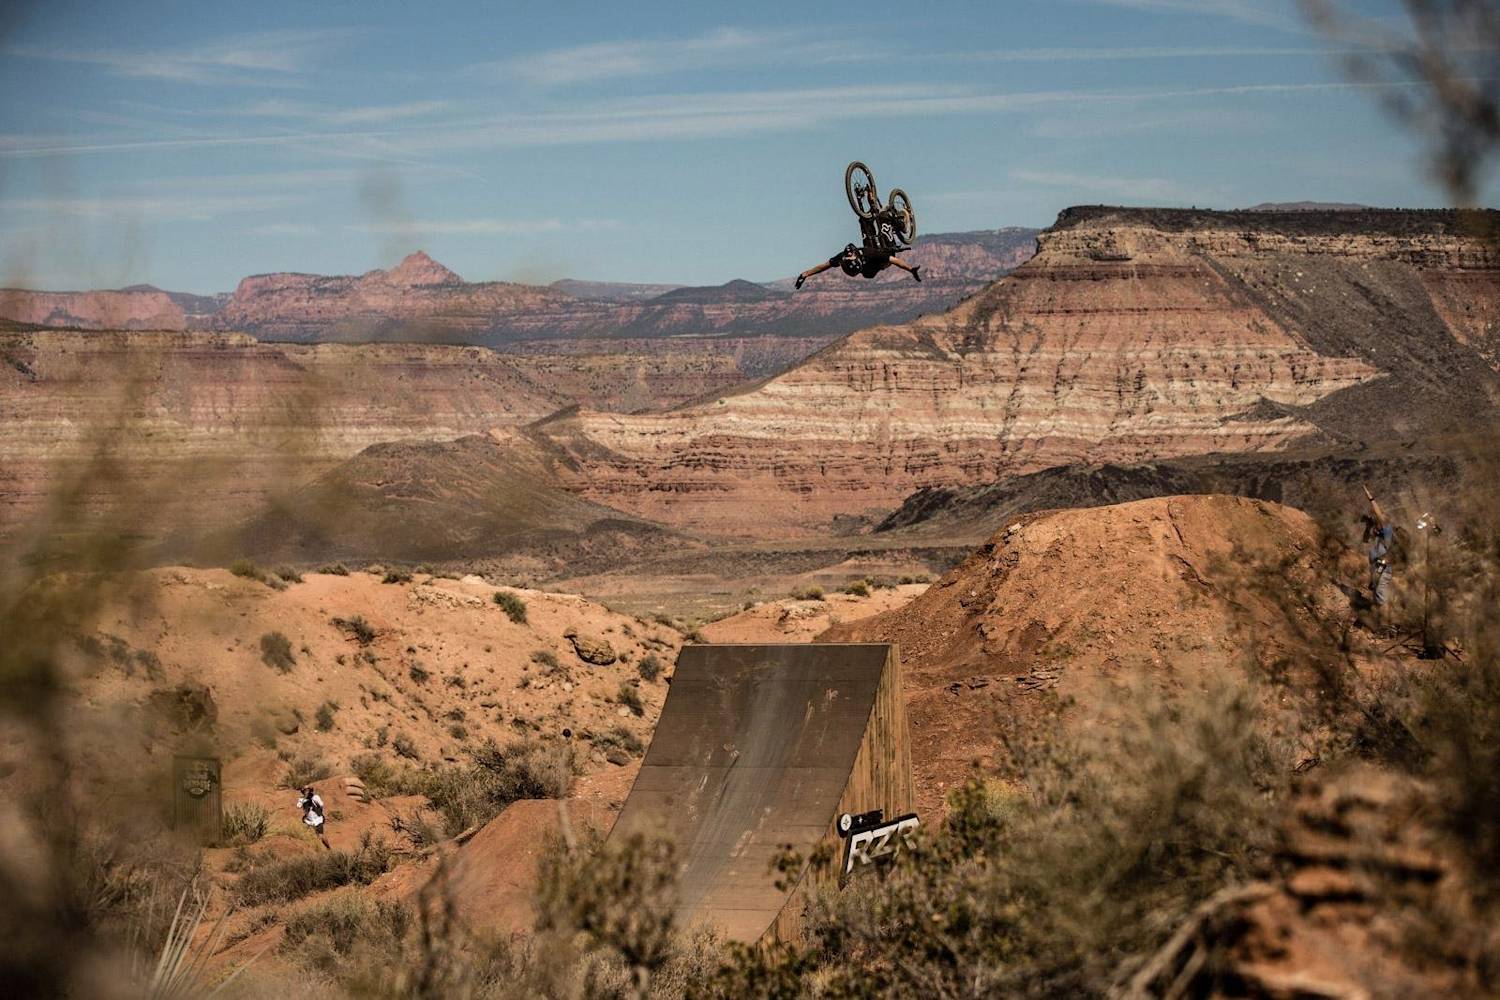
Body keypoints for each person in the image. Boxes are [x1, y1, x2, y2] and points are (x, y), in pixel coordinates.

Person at [795, 206, 921, 289]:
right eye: (850, 255)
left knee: (864, 221)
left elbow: (824, 266)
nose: (848, 255)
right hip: (882, 260)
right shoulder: (869, 254)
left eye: (848, 255)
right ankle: (902, 224)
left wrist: (806, 274)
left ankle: (869, 203)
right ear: (857, 256)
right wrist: (910, 269)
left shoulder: (843, 258)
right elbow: (895, 261)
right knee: (883, 218)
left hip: (869, 260)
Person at [1362, 486, 1396, 610]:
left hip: (1383, 570)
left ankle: (1387, 623)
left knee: (1381, 596)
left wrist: (1370, 498)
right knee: (1377, 595)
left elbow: (1379, 514)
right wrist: (1367, 526)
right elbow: (1365, 540)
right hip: (1376, 569)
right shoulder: (1377, 534)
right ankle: (1381, 621)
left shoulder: (1387, 530)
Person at [299, 785, 331, 850]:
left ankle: (328, 847)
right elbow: (298, 806)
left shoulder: (315, 797)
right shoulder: (301, 799)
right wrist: (304, 798)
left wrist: (314, 801)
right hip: (309, 821)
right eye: (305, 790)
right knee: (306, 835)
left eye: (308, 790)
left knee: (320, 836)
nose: (306, 792)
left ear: (310, 791)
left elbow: (321, 804)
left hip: (318, 819)